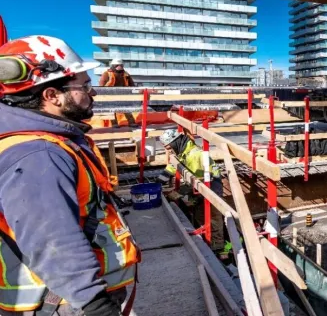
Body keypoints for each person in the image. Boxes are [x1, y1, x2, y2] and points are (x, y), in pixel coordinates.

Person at [0, 36, 140, 315]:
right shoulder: (38, 154)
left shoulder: (49, 141)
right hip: (63, 302)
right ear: (51, 96)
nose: (93, 93)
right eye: (84, 86)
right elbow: (51, 240)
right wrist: (95, 303)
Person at [157, 128, 224, 250]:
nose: (169, 151)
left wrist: (179, 192)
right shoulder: (182, 151)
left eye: (168, 148)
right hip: (199, 184)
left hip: (212, 185)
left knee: (213, 216)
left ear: (174, 142)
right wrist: (160, 181)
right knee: (199, 213)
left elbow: (198, 180)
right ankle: (204, 238)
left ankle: (217, 246)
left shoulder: (194, 155)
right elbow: (174, 166)